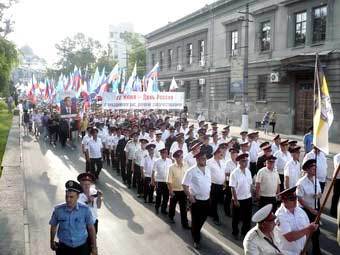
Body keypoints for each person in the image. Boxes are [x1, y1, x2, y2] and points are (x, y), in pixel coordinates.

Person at [49, 180, 97, 255]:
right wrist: (51, 242)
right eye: (66, 196)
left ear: (77, 197)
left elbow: (91, 228)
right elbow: (53, 226)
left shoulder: (85, 210)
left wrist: (94, 247)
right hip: (64, 247)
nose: (68, 199)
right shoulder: (58, 210)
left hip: (81, 247)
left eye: (71, 197)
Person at [274, 186, 318, 255]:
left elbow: (307, 232)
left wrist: (304, 248)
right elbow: (289, 237)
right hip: (287, 253)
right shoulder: (279, 215)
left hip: (301, 251)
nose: (295, 200)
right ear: (284, 200)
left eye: (296, 197)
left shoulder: (301, 211)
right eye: (292, 198)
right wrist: (309, 229)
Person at [182, 151, 211, 249]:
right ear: (197, 159)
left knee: (204, 218)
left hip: (207, 199)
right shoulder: (191, 171)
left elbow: (208, 183)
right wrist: (190, 197)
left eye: (205, 158)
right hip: (196, 201)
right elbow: (184, 185)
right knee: (195, 221)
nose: (204, 160)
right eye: (202, 159)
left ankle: (196, 231)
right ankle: (196, 240)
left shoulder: (208, 169)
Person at [296, 159, 322, 254]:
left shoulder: (316, 179)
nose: (315, 169)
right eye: (312, 167)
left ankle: (316, 251)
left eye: (315, 167)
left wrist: (318, 195)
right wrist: (311, 210)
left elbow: (320, 193)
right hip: (305, 211)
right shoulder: (301, 182)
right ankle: (304, 251)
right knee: (306, 233)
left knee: (316, 232)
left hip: (315, 208)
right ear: (307, 169)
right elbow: (299, 199)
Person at [229, 153, 253, 239]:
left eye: (246, 161)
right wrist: (235, 200)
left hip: (248, 198)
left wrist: (251, 195)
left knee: (247, 217)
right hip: (239, 199)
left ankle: (244, 232)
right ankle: (235, 232)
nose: (245, 163)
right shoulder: (234, 173)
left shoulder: (248, 171)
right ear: (239, 162)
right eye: (243, 161)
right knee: (236, 218)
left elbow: (250, 184)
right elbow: (233, 188)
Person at [167, 149, 190, 229]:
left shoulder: (186, 165)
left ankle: (185, 224)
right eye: (180, 157)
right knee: (172, 206)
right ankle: (171, 217)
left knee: (183, 208)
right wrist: (170, 191)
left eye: (182, 157)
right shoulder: (171, 167)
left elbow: (188, 178)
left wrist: (188, 189)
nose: (181, 159)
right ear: (176, 158)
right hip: (175, 191)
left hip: (183, 191)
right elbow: (169, 181)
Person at [207, 146, 227, 225]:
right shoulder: (209, 162)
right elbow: (207, 175)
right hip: (213, 185)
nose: (222, 154)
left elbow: (223, 173)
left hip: (221, 185)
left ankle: (210, 212)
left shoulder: (222, 161)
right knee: (214, 201)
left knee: (215, 201)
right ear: (215, 153)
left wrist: (224, 182)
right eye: (220, 153)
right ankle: (216, 218)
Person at [152, 147, 172, 214]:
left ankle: (163, 209)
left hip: (167, 182)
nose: (165, 154)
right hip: (159, 181)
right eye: (163, 153)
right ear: (161, 154)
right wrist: (153, 180)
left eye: (166, 153)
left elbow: (171, 172)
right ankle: (157, 207)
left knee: (166, 197)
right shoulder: (157, 161)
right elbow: (153, 171)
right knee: (159, 196)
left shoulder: (170, 161)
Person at [224, 148, 238, 217]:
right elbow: (226, 173)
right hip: (229, 181)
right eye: (232, 154)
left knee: (235, 197)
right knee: (228, 197)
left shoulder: (239, 162)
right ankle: (227, 211)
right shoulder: (228, 162)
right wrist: (233, 174)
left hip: (237, 183)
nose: (233, 155)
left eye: (235, 154)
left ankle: (235, 212)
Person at [331, 153, 340, 217]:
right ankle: (333, 211)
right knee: (336, 195)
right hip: (338, 178)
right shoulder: (337, 156)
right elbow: (337, 166)